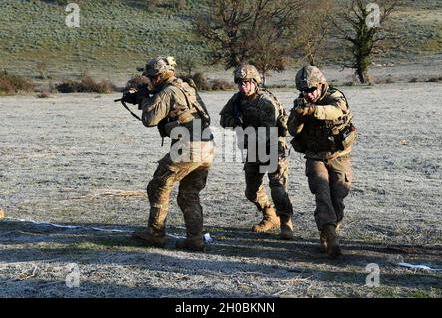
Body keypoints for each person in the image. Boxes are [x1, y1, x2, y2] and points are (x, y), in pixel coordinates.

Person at [126, 56, 215, 251]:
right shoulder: (186, 86)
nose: (151, 80)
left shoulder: (168, 91)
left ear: (160, 75)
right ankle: (195, 240)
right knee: (188, 194)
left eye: (152, 77)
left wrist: (142, 98)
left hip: (188, 146)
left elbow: (149, 119)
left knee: (158, 186)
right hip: (206, 146)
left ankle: (155, 234)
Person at [219, 64, 294, 240]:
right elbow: (223, 119)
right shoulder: (237, 100)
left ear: (255, 82)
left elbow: (268, 132)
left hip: (273, 147)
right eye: (240, 83)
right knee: (251, 191)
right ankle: (270, 216)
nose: (242, 86)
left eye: (246, 82)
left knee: (277, 188)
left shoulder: (266, 102)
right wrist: (235, 123)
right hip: (254, 148)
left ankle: (286, 222)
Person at [288, 65, 356, 257]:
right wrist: (299, 117)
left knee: (339, 196)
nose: (308, 94)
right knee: (322, 193)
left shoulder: (335, 96)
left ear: (321, 85)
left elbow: (335, 111)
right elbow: (292, 130)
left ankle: (330, 229)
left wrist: (312, 111)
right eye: (304, 91)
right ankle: (330, 234)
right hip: (315, 156)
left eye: (311, 90)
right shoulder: (301, 103)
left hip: (338, 156)